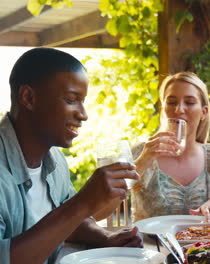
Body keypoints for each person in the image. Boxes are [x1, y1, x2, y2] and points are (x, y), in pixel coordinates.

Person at [0, 48, 143, 264]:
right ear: (28, 98)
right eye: (71, 99)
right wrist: (82, 203)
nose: (83, 114)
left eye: (83, 101)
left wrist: (107, 237)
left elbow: (69, 223)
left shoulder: (55, 160)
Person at [96, 72, 210, 223]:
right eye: (171, 102)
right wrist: (144, 160)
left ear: (204, 112)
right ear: (163, 109)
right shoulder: (140, 153)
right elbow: (100, 211)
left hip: (202, 249)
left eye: (190, 102)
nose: (179, 109)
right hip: (150, 249)